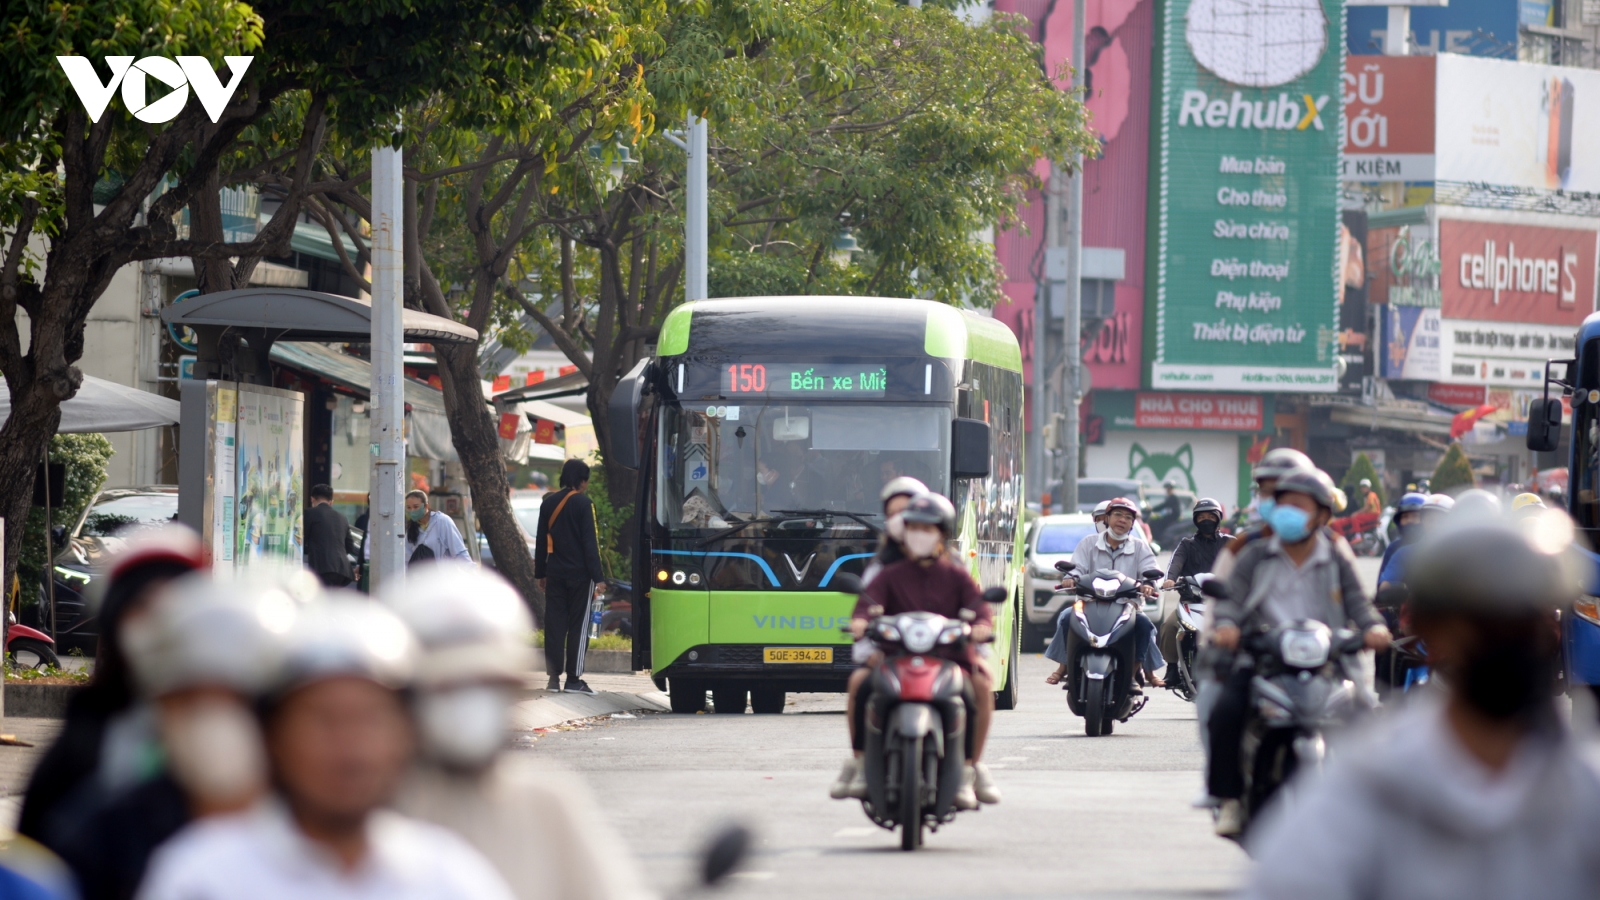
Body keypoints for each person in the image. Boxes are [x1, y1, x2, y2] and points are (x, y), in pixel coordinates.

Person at [1245, 517, 1600, 899]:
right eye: (1484, 623)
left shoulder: (1586, 792)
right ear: (1431, 629)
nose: (1506, 640)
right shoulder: (1364, 791)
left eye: (1525, 620)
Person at [137, 599, 515, 900]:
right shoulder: (202, 880)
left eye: (370, 719)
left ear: (408, 737)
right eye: (322, 720)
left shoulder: (451, 879)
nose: (351, 749)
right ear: (273, 737)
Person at [387, 564, 651, 900]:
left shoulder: (543, 804)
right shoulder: (365, 809)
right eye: (449, 687)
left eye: (486, 685)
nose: (469, 705)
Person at [58, 571, 296, 900]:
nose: (214, 719)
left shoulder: (325, 819)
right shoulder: (101, 833)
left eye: (236, 699)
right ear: (159, 707)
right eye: (192, 700)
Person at [1206, 468, 1391, 836]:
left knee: (1369, 718)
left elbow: (1357, 600)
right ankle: (1227, 798)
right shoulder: (1254, 555)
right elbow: (1231, 600)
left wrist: (1373, 627)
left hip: (1327, 661)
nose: (1287, 511)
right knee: (1224, 712)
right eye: (1283, 504)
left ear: (1322, 514)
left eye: (1298, 505)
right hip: (1262, 658)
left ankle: (1375, 806)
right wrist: (1226, 627)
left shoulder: (1336, 555)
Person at [19, 525, 205, 853]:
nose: (161, 625)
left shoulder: (250, 740)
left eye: (177, 607)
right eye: (144, 607)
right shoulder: (76, 751)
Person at [830, 492, 1000, 808]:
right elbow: (867, 604)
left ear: (942, 535)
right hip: (894, 655)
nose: (919, 535)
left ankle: (969, 768)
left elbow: (980, 610)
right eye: (914, 528)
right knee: (858, 683)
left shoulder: (956, 574)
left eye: (928, 528)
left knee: (982, 684)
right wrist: (860, 622)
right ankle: (861, 763)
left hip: (951, 657)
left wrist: (980, 627)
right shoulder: (889, 573)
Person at [1043, 497, 1164, 688]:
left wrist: (1148, 583)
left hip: (1127, 607)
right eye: (1117, 515)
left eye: (1127, 517)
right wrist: (1070, 578)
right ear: (1106, 518)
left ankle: (1133, 673)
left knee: (1145, 626)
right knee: (1067, 618)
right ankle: (1064, 666)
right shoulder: (1088, 543)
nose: (1122, 520)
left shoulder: (1140, 546)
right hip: (1089, 604)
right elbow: (1076, 568)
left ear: (1133, 524)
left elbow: (1152, 571)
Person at [533, 459, 606, 696]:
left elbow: (541, 541)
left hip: (555, 573)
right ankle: (574, 680)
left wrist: (541, 574)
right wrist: (599, 577)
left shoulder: (548, 502)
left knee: (554, 625)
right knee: (578, 626)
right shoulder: (585, 504)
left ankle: (553, 679)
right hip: (580, 576)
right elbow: (590, 544)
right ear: (582, 481)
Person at [1158, 498, 1229, 671]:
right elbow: (1175, 563)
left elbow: (1243, 564)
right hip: (1190, 601)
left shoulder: (1230, 543)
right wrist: (1170, 579)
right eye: (1201, 517)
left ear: (1218, 518)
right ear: (1195, 520)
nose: (1206, 520)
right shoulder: (1186, 544)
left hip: (1222, 603)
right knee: (1168, 627)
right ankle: (1172, 668)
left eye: (1211, 516)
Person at [1377, 493, 1455, 591]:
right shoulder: (1404, 554)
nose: (1435, 525)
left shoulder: (1463, 554)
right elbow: (1384, 587)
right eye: (1430, 520)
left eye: (1441, 521)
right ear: (1423, 522)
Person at [304, 484, 356, 587]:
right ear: (331, 502)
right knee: (333, 600)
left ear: (312, 499)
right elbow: (349, 546)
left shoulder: (309, 513)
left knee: (321, 600)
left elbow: (302, 538)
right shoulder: (342, 518)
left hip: (321, 568)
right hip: (342, 570)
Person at [404, 489, 471, 564]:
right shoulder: (411, 529)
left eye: (416, 507)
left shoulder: (442, 521)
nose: (412, 511)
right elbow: (407, 558)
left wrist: (472, 571)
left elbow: (459, 551)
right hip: (421, 574)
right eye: (409, 508)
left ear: (426, 506)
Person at [1377, 491, 1427, 575]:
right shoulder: (1394, 548)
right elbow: (1382, 584)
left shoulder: (1434, 546)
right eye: (1405, 517)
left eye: (1415, 516)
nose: (1409, 521)